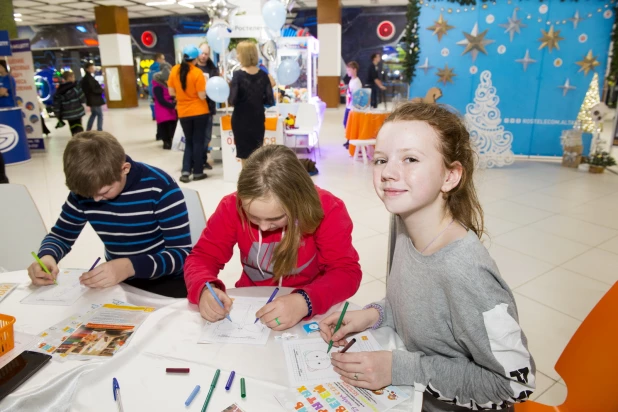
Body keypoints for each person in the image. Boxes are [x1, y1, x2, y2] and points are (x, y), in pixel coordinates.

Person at [319, 103, 536, 411]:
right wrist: (374, 314)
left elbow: (515, 385)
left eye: (410, 159)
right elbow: (419, 307)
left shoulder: (466, 272)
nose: (388, 173)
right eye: (381, 160)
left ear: (450, 176)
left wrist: (399, 368)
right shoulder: (405, 225)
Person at [184, 145, 362, 330]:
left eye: (275, 219)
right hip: (251, 302)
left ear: (298, 203)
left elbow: (346, 272)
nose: (263, 227)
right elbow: (202, 257)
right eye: (252, 217)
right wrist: (205, 288)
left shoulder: (328, 209)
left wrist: (305, 301)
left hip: (310, 305)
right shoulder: (231, 207)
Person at [27, 131, 191, 298]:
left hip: (167, 282)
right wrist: (47, 256)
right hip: (119, 281)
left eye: (104, 192)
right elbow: (61, 236)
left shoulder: (160, 187)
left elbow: (181, 254)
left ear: (124, 169)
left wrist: (129, 267)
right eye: (88, 196)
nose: (96, 200)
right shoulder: (85, 192)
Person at [228, 41, 275, 166]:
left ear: (243, 55)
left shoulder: (237, 75)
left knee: (244, 155)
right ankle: (257, 181)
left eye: (238, 53)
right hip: (257, 119)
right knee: (257, 154)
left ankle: (246, 183)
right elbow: (269, 100)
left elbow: (232, 100)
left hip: (241, 120)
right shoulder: (264, 76)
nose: (237, 56)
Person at [168, 45, 210, 183]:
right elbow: (202, 95)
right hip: (199, 111)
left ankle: (185, 171)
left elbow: (171, 92)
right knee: (198, 141)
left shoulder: (174, 70)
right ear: (195, 59)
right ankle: (198, 172)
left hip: (183, 112)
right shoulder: (197, 73)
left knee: (189, 142)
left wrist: (182, 96)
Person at [196, 42, 219, 170]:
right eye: (202, 53)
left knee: (207, 136)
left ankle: (203, 159)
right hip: (195, 108)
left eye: (206, 54)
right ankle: (196, 161)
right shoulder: (192, 68)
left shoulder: (212, 69)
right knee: (196, 138)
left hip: (208, 107)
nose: (204, 56)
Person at [151, 62, 177, 150]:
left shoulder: (166, 83)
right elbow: (160, 99)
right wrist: (172, 106)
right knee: (166, 127)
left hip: (169, 108)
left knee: (170, 126)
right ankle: (166, 142)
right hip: (163, 109)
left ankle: (169, 142)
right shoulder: (158, 85)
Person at [52, 71, 86, 135]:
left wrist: (58, 115)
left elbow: (57, 105)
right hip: (77, 112)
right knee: (79, 125)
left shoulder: (59, 90)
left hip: (68, 114)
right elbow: (83, 99)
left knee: (72, 127)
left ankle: (75, 139)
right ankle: (81, 140)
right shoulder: (76, 88)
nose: (74, 78)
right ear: (69, 77)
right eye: (73, 77)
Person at [81, 62, 105, 131]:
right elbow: (93, 89)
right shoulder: (88, 79)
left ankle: (88, 129)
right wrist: (101, 90)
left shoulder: (89, 78)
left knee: (94, 114)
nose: (93, 69)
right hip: (94, 99)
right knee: (99, 114)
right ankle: (99, 129)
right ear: (87, 69)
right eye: (91, 68)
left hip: (93, 99)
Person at [343, 61, 362, 149]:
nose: (348, 72)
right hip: (349, 106)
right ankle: (348, 140)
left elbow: (357, 96)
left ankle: (350, 141)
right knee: (346, 123)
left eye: (349, 70)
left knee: (349, 123)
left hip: (353, 107)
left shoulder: (357, 82)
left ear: (354, 70)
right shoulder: (352, 80)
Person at [148, 53, 166, 123]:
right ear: (158, 59)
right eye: (163, 59)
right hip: (159, 89)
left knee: (152, 103)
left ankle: (154, 115)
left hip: (151, 89)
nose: (164, 60)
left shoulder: (151, 69)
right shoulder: (160, 68)